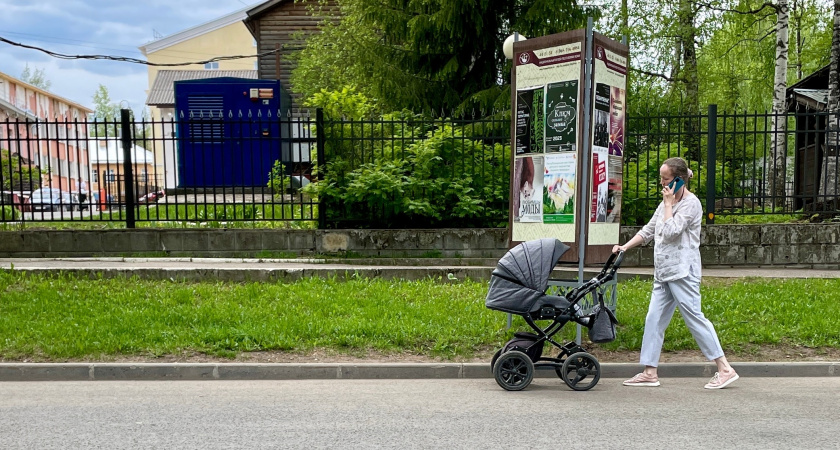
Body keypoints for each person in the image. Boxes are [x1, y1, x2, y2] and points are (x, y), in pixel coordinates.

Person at [612, 157, 739, 390]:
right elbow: (650, 229)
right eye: (661, 178)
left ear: (679, 180)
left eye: (666, 179)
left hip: (682, 272)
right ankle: (650, 372)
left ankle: (725, 369)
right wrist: (625, 246)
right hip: (663, 272)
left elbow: (670, 232)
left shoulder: (691, 204)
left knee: (694, 317)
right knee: (654, 319)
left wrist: (669, 204)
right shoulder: (664, 203)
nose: (662, 183)